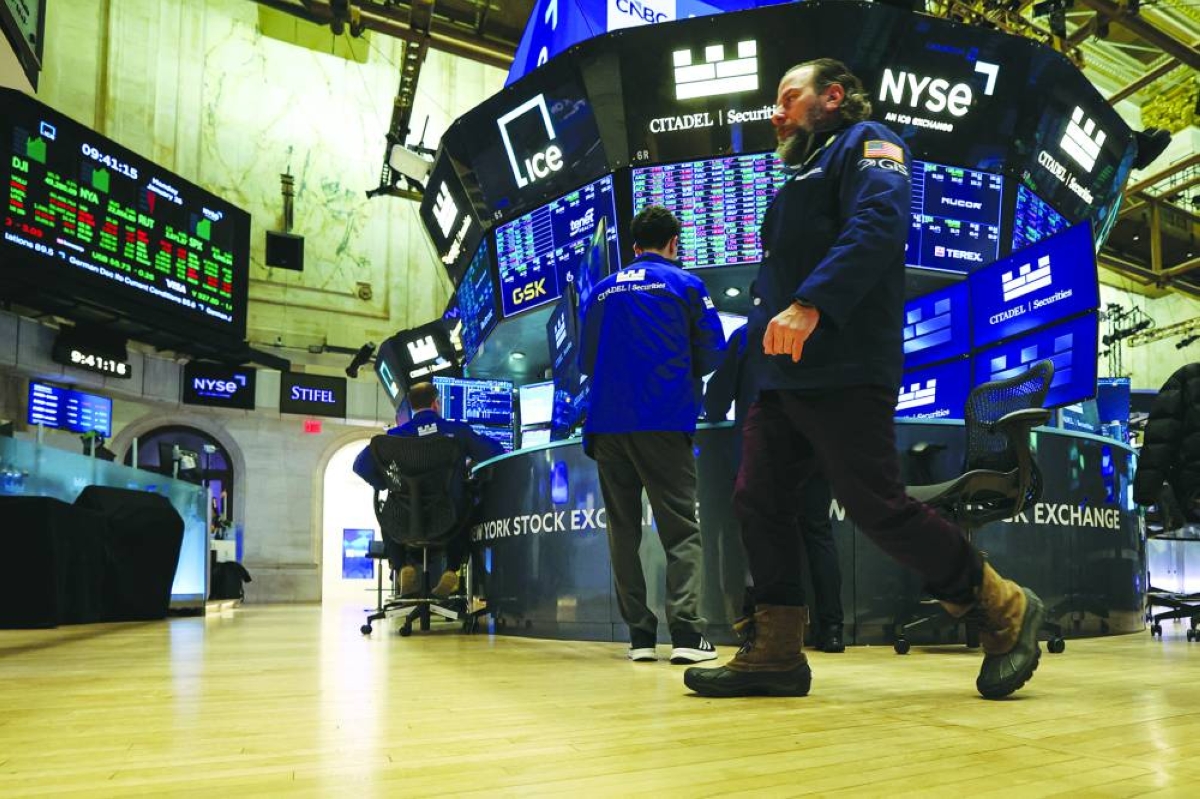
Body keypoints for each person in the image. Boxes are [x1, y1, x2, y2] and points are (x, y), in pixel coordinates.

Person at [683, 59, 1045, 700]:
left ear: (832, 96)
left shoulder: (869, 143)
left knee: (875, 504)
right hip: (781, 377)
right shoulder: (805, 170)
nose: (776, 112)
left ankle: (1002, 607)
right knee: (758, 500)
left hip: (843, 365)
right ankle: (776, 651)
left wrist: (812, 302)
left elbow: (879, 224)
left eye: (788, 97)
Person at [579, 205, 727, 664]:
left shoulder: (600, 292)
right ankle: (687, 634)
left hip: (607, 427)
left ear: (634, 246)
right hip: (663, 421)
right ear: (674, 243)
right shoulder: (686, 285)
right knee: (680, 530)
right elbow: (713, 353)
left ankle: (640, 638)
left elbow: (585, 361)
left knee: (622, 532)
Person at [704, 324, 846, 652]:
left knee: (763, 536)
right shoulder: (821, 331)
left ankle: (766, 630)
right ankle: (832, 630)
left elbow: (716, 398)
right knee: (818, 532)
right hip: (814, 442)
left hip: (765, 446)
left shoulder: (748, 335)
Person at [352, 381, 502, 598]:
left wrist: (386, 483)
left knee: (388, 509)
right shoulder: (456, 431)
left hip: (403, 520)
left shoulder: (394, 436)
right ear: (436, 403)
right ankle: (452, 569)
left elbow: (360, 466)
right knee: (468, 505)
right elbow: (495, 452)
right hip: (449, 520)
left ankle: (402, 566)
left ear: (412, 406)